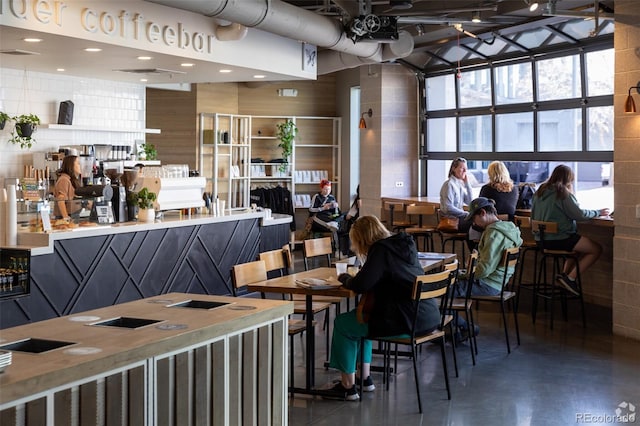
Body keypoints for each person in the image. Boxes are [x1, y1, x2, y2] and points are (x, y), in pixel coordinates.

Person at [324, 215, 441, 401]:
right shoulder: (402, 246)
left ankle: (348, 387)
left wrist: (344, 278)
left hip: (406, 321)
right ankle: (365, 379)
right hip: (427, 317)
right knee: (364, 318)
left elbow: (362, 284)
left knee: (343, 323)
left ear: (363, 239)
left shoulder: (380, 250)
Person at [531, 165, 610, 295]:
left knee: (576, 249)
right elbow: (579, 215)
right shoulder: (562, 193)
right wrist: (598, 212)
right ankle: (570, 278)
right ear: (569, 179)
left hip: (541, 241)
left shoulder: (540, 191)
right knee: (596, 249)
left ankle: (564, 276)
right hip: (560, 239)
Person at [453, 197, 523, 341]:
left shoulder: (493, 234)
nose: (474, 223)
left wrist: (465, 274)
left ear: (483, 213)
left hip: (487, 284)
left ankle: (464, 327)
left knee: (443, 291)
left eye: (474, 218)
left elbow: (484, 269)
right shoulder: (509, 229)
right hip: (498, 281)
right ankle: (454, 329)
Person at [439, 157, 474, 234]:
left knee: (478, 224)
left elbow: (470, 202)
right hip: (452, 221)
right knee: (476, 226)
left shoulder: (459, 185)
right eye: (462, 168)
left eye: (466, 168)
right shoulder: (449, 185)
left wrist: (467, 184)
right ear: (454, 169)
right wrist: (466, 214)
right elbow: (448, 208)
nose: (465, 171)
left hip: (459, 219)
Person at [54, 155, 81, 220]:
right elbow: (61, 200)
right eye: (78, 163)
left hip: (74, 215)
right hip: (65, 217)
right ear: (71, 165)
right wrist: (65, 217)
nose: (80, 166)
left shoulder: (72, 180)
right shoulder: (64, 180)